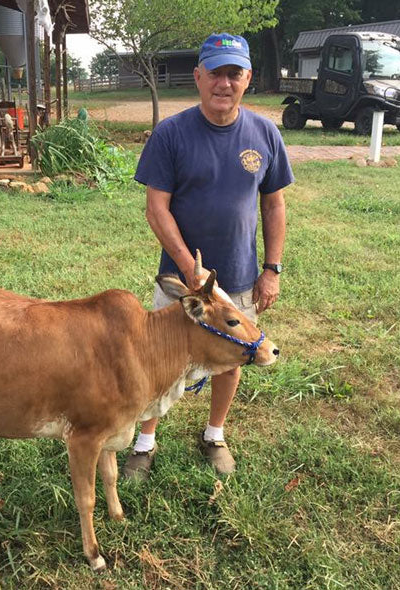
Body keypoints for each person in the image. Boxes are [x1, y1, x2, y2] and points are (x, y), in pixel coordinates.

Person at [122, 33, 294, 479]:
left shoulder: (264, 133)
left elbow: (273, 205)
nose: (224, 82)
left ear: (247, 78)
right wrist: (187, 268)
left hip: (238, 276)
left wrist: (271, 270)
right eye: (214, 72)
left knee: (232, 356)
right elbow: (156, 207)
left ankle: (214, 435)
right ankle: (144, 442)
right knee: (160, 358)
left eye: (233, 73)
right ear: (198, 76)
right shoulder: (171, 134)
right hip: (181, 282)